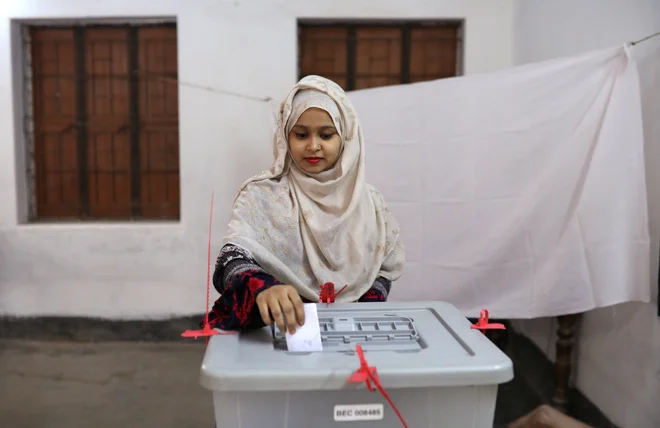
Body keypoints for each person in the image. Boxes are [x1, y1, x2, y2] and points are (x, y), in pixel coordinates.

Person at [206, 75, 405, 334]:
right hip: (278, 333)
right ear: (285, 137)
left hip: (353, 334)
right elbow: (230, 259)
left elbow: (385, 267)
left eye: (326, 134)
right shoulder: (261, 194)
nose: (313, 146)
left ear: (345, 137)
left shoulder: (370, 202)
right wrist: (261, 286)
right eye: (301, 135)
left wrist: (363, 312)